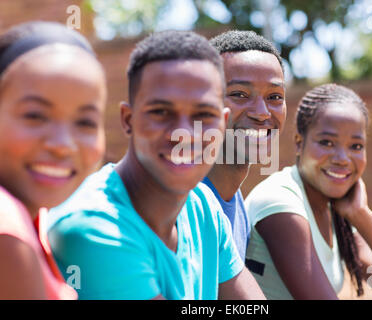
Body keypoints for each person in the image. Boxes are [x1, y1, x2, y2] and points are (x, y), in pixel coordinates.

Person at [47, 30, 265, 300]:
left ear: (222, 122)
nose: (183, 133)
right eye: (161, 112)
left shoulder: (202, 205)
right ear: (128, 119)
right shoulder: (93, 228)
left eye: (203, 114)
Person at [245, 83, 372, 300]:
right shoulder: (280, 202)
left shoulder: (337, 214)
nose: (342, 158)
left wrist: (364, 217)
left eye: (356, 146)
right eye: (327, 142)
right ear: (299, 143)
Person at [0, 21, 107, 299]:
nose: (63, 145)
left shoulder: (36, 219)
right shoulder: (7, 233)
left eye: (85, 122)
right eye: (35, 115)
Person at [203, 30, 286, 262]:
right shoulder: (182, 206)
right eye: (239, 94)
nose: (262, 113)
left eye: (275, 97)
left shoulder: (237, 206)